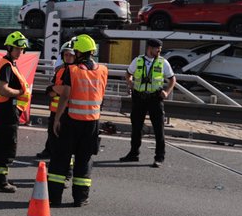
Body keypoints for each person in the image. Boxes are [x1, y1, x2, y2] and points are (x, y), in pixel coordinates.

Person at [48, 35, 108, 207]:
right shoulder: (103, 70)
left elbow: (65, 95)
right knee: (84, 159)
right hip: (92, 122)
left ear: (80, 51)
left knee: (61, 159)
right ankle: (81, 198)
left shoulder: (72, 70)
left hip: (72, 120)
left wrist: (57, 119)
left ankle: (54, 198)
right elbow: (100, 95)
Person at [120, 38, 176, 167]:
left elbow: (172, 79)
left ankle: (159, 157)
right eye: (157, 49)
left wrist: (166, 92)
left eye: (160, 49)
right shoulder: (138, 60)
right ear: (149, 48)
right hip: (139, 98)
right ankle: (133, 154)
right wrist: (131, 83)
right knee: (136, 128)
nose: (159, 51)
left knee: (158, 128)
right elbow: (128, 74)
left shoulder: (163, 62)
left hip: (155, 99)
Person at [0, 31, 31, 192]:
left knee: (5, 144)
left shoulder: (10, 63)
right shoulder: (7, 65)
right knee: (6, 145)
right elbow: (3, 89)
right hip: (7, 109)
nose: (20, 52)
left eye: (22, 49)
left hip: (9, 109)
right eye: (17, 49)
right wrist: (20, 93)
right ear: (9, 48)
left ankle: (0, 178)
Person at [36, 40, 77, 159]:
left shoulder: (75, 71)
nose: (68, 57)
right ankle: (50, 152)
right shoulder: (60, 70)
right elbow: (52, 91)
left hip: (67, 111)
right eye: (66, 55)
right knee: (52, 134)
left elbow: (64, 91)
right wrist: (54, 89)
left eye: (71, 55)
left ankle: (61, 162)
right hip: (55, 109)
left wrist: (54, 89)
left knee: (64, 140)